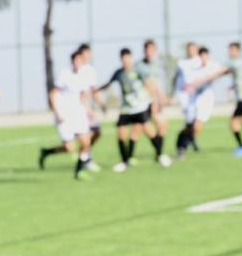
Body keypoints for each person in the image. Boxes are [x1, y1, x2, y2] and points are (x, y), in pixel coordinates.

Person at [39, 49, 95, 180]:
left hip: (78, 114)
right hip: (64, 115)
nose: (78, 63)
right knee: (69, 148)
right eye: (75, 60)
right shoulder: (65, 75)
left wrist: (88, 111)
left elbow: (83, 96)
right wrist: (57, 112)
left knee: (86, 142)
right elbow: (53, 93)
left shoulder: (84, 76)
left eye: (80, 60)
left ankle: (79, 171)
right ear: (72, 62)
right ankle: (46, 152)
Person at [101, 48, 160, 172]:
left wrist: (153, 100)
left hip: (140, 107)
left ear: (131, 58)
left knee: (150, 132)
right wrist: (96, 89)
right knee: (121, 134)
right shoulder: (119, 73)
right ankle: (124, 161)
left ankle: (160, 154)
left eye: (127, 58)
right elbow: (108, 84)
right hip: (126, 109)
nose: (125, 61)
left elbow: (148, 84)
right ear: (121, 59)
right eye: (123, 59)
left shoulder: (138, 71)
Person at [176, 46, 220, 159]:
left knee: (197, 126)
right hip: (193, 100)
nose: (204, 58)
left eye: (206, 56)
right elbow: (189, 83)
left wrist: (209, 78)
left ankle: (184, 145)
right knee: (190, 125)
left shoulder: (213, 66)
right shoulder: (193, 68)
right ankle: (182, 145)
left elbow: (223, 71)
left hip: (206, 101)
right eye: (201, 56)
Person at [136, 39, 172, 166]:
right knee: (142, 129)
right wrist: (156, 99)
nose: (149, 52)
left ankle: (159, 153)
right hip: (142, 102)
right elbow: (147, 84)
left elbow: (156, 84)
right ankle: (159, 153)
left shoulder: (156, 65)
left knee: (163, 125)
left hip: (154, 101)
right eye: (147, 50)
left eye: (152, 50)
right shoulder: (139, 66)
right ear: (144, 51)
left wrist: (161, 97)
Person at [171, 42, 203, 155]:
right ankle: (182, 144)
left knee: (197, 123)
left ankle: (190, 140)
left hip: (198, 96)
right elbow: (175, 78)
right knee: (190, 121)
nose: (191, 51)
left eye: (193, 49)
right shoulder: (181, 63)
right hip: (185, 96)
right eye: (189, 49)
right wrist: (173, 93)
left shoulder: (200, 61)